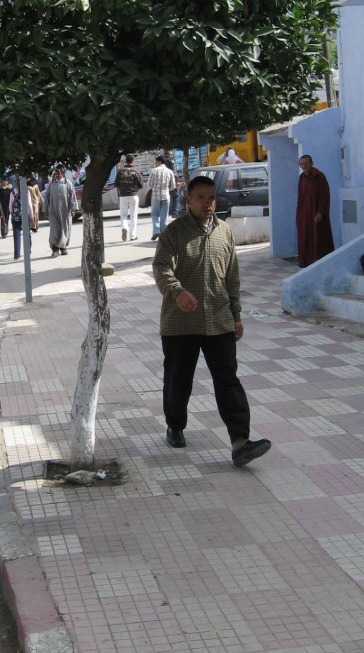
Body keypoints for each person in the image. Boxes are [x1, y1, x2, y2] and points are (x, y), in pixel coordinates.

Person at [152, 175, 271, 467]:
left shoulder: (224, 232)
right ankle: (175, 425)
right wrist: (176, 290)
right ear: (189, 200)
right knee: (179, 380)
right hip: (181, 323)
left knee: (228, 380)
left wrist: (237, 315)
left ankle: (240, 441)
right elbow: (161, 267)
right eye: (201, 198)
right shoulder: (174, 233)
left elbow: (232, 276)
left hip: (219, 320)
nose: (207, 203)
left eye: (211, 197)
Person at [296, 154, 335, 267]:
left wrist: (321, 212)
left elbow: (325, 196)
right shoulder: (302, 178)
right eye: (302, 164)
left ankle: (320, 264)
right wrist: (299, 215)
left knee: (319, 239)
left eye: (306, 163)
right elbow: (300, 197)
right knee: (305, 239)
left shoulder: (319, 176)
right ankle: (306, 263)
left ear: (311, 164)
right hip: (304, 215)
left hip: (317, 214)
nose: (304, 166)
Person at [43, 165, 77, 257]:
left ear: (62, 174)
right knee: (54, 230)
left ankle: (63, 248)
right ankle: (55, 249)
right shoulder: (51, 184)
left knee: (65, 229)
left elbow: (72, 198)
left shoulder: (68, 184)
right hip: (53, 212)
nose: (57, 175)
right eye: (56, 174)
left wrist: (73, 209)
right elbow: (47, 198)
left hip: (65, 212)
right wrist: (45, 210)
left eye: (59, 174)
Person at [116, 154, 143, 241]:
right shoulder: (136, 171)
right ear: (133, 161)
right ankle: (133, 236)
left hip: (123, 196)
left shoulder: (120, 171)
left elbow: (116, 184)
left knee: (123, 214)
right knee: (133, 215)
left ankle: (125, 228)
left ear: (125, 161)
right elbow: (141, 185)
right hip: (133, 195)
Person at [147, 155, 176, 240]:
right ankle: (163, 234)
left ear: (159, 162)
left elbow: (150, 184)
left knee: (155, 214)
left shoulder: (154, 171)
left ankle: (156, 231)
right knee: (164, 216)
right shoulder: (169, 172)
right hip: (166, 196)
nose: (155, 164)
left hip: (155, 196)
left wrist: (155, 188)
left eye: (156, 162)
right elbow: (173, 186)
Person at [9, 181, 33, 259]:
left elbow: (10, 205)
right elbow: (29, 205)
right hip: (25, 215)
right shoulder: (27, 192)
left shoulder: (13, 192)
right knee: (27, 234)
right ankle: (28, 251)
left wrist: (12, 213)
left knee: (16, 235)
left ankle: (17, 254)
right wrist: (31, 216)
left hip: (16, 216)